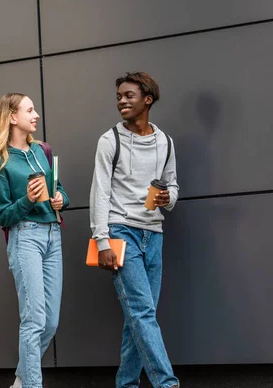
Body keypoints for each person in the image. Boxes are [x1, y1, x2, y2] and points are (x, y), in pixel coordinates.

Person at [89, 72, 180, 388]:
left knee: (138, 319)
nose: (121, 102)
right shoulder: (109, 140)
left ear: (147, 99)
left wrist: (170, 197)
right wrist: (102, 240)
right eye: (118, 97)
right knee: (142, 314)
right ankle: (167, 383)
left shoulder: (165, 142)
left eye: (128, 95)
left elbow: (173, 186)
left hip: (153, 234)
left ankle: (126, 383)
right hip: (120, 232)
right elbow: (99, 191)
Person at [0, 93, 68, 388]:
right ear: (11, 117)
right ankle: (31, 385)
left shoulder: (42, 151)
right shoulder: (2, 163)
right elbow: (2, 215)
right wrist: (27, 200)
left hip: (52, 234)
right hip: (25, 237)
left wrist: (60, 199)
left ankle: (21, 379)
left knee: (50, 322)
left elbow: (61, 190)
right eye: (29, 110)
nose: (36, 115)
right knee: (33, 320)